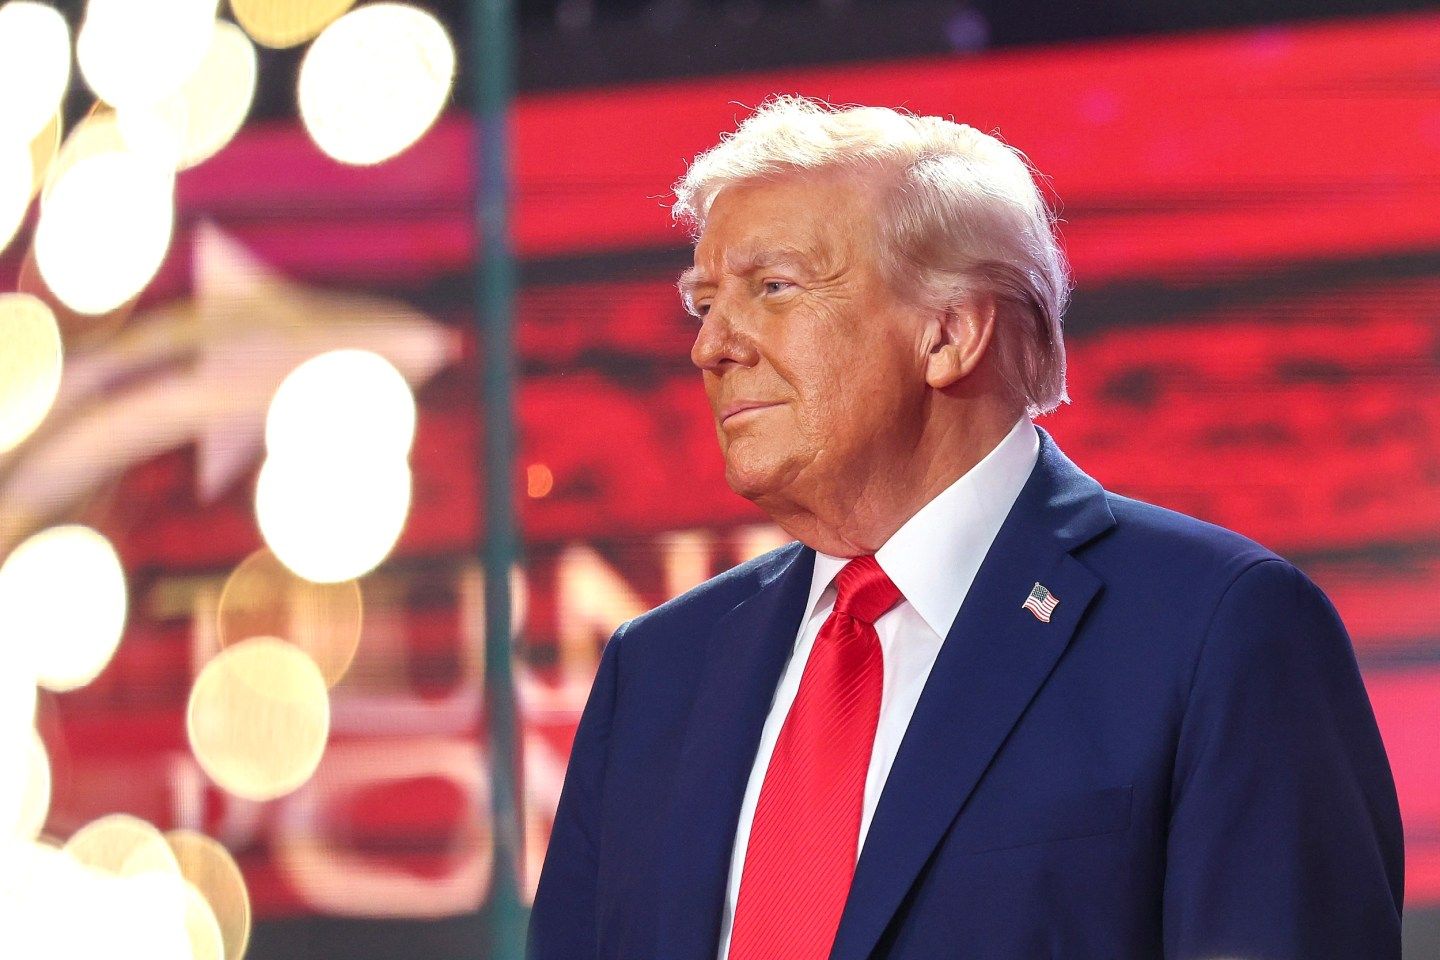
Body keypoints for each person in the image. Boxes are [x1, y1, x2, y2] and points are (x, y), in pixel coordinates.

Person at [527, 96, 1404, 960]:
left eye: (773, 288)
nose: (712, 345)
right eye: (705, 302)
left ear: (948, 333)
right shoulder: (658, 670)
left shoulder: (1216, 631)